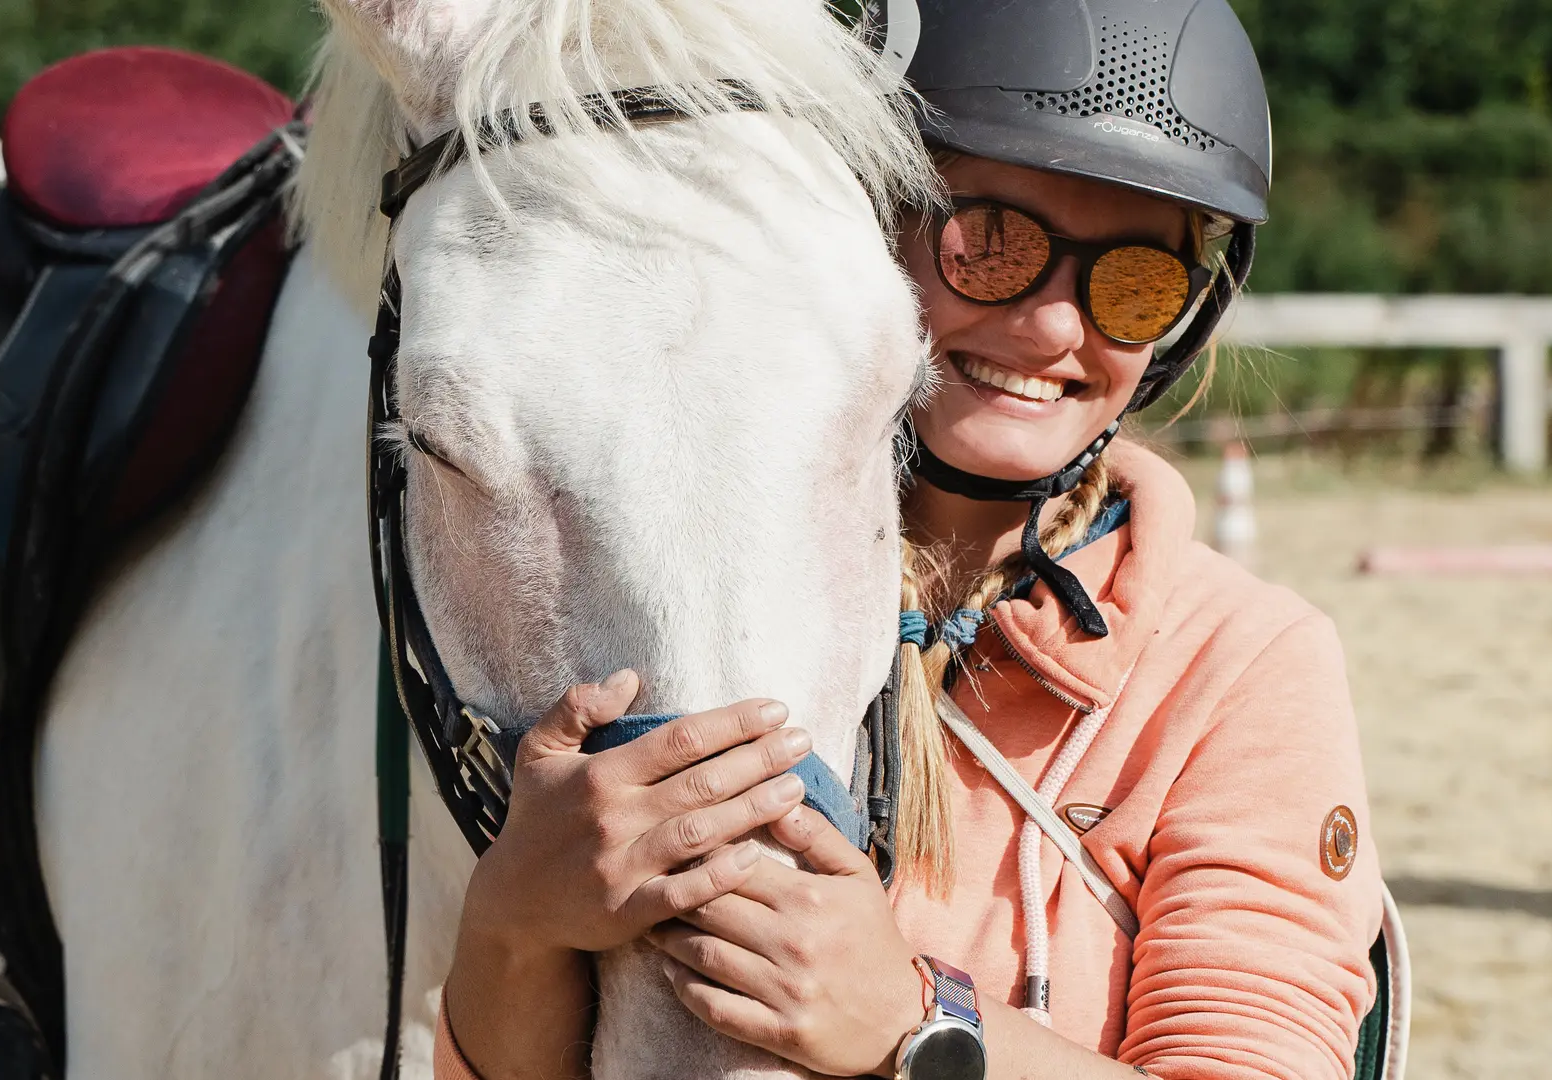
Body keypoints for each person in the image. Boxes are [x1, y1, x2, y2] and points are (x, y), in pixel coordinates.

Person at [437, 2, 1384, 1078]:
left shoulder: (1242, 668)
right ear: (865, 229)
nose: (1055, 328)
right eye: (987, 243)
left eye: (1134, 282)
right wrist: (513, 925)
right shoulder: (681, 583)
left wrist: (919, 1021)